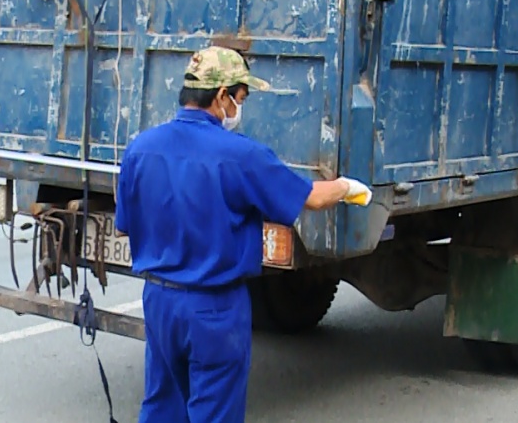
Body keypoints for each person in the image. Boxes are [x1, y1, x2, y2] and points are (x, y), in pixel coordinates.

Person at [115, 46, 371, 423]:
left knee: (162, 407)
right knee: (215, 410)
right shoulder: (240, 154)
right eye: (240, 98)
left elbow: (126, 223)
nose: (240, 107)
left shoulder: (140, 148)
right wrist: (347, 186)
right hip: (215, 307)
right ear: (221, 97)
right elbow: (312, 198)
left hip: (158, 300)